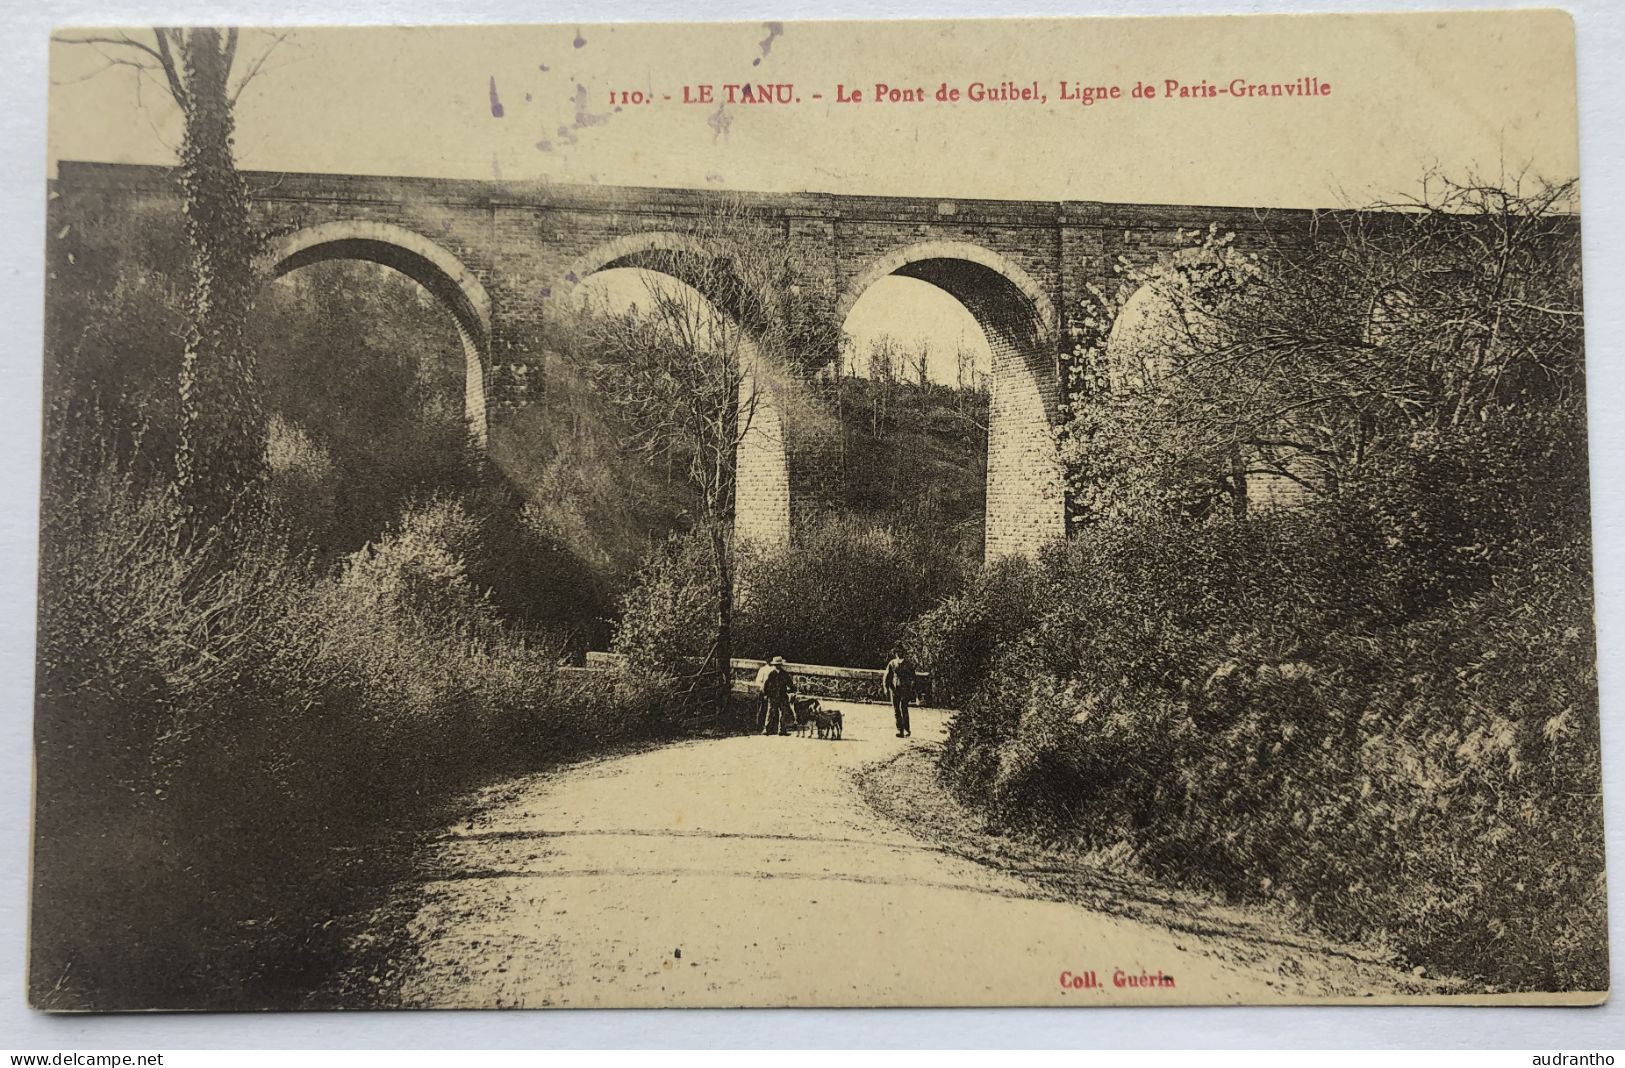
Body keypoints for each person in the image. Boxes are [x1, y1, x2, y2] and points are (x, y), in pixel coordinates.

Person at [883, 648, 917, 738]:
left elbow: (913, 677)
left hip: (905, 690)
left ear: (903, 653)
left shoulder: (908, 665)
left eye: (900, 652)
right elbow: (887, 676)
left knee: (904, 709)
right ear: (895, 654)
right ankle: (900, 730)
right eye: (897, 652)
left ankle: (906, 729)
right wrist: (886, 688)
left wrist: (912, 688)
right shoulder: (892, 663)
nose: (899, 654)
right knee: (896, 710)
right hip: (894, 689)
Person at [759, 655, 795, 736]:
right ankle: (766, 729)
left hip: (782, 696)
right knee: (770, 712)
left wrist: (792, 691)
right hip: (773, 696)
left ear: (781, 665)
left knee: (783, 713)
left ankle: (782, 730)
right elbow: (766, 685)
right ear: (774, 665)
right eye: (776, 665)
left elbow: (790, 684)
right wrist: (765, 694)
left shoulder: (785, 674)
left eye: (778, 664)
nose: (777, 666)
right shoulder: (771, 674)